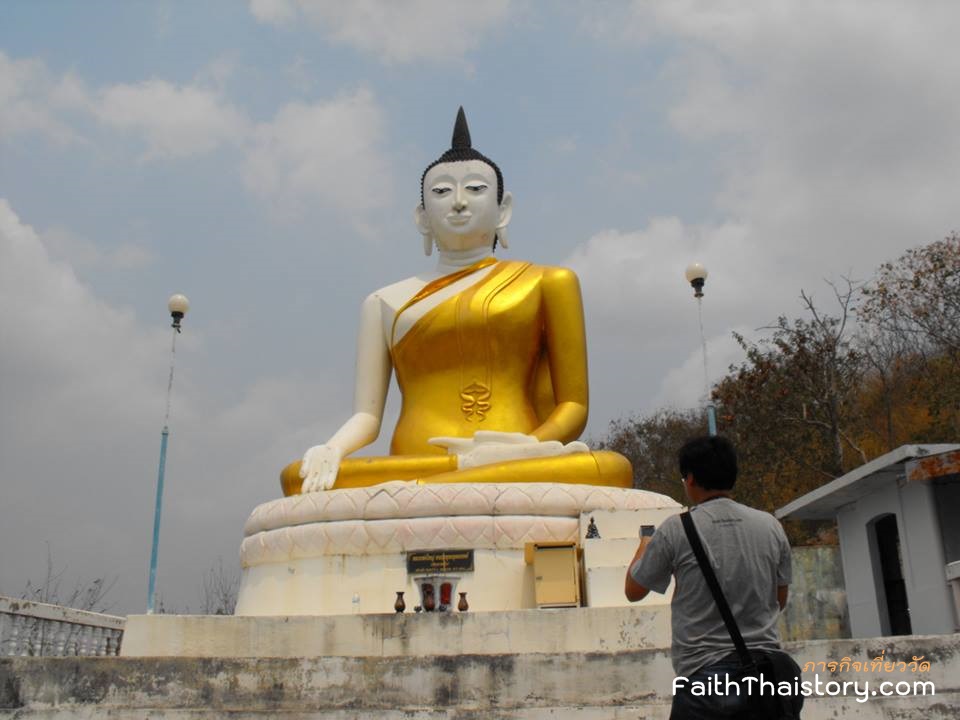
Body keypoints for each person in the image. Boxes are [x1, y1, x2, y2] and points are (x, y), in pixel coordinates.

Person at [280, 108, 632, 494]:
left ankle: (439, 483)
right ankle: (453, 475)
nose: (459, 203)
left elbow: (574, 407)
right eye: (442, 192)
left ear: (504, 209)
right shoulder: (383, 301)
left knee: (610, 468)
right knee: (298, 476)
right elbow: (367, 415)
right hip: (420, 460)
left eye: (477, 189)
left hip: (519, 459)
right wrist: (332, 449)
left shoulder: (548, 282)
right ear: (422, 217)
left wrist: (527, 447)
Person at [625, 436, 792, 719]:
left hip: (705, 678)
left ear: (689, 479)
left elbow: (634, 589)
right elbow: (779, 599)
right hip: (768, 674)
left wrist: (643, 547)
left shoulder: (676, 529)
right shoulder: (770, 525)